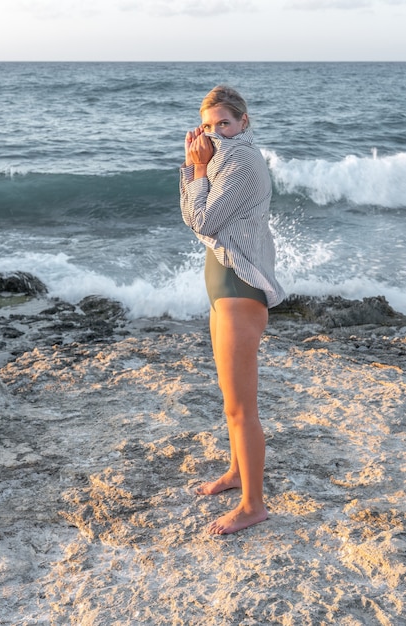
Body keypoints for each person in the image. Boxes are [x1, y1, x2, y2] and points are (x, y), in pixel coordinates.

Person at [180, 85, 285, 535]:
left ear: (243, 122)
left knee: (243, 408)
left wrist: (198, 167)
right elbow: (192, 214)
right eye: (207, 125)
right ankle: (237, 472)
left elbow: (201, 221)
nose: (215, 131)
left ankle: (253, 505)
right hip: (224, 287)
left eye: (223, 123)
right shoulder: (221, 160)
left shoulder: (240, 162)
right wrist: (195, 168)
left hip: (240, 290)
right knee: (230, 403)